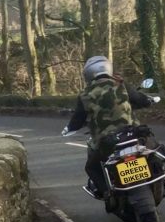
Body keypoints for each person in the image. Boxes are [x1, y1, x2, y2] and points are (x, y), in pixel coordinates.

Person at [61, 56, 155, 197]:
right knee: (154, 147)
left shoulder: (85, 95)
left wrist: (69, 128)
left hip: (107, 142)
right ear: (108, 68)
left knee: (91, 168)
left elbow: (78, 119)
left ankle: (107, 193)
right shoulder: (120, 84)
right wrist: (148, 101)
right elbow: (139, 99)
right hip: (132, 134)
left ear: (88, 74)